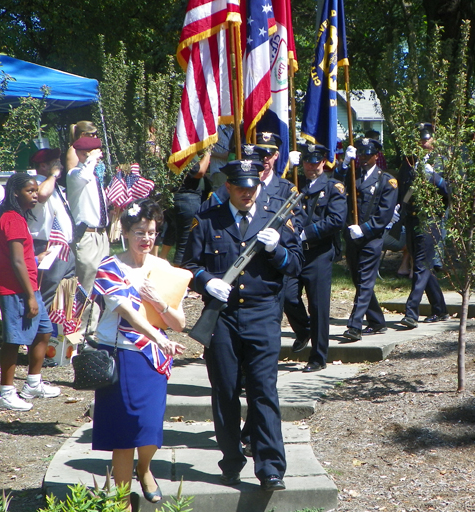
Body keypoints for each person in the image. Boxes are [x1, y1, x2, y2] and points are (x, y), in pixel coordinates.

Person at [182, 160, 303, 491]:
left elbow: (294, 265)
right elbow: (189, 265)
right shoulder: (207, 221)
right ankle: (231, 460)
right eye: (240, 188)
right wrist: (206, 281)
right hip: (222, 318)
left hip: (263, 315)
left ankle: (271, 468)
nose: (247, 193)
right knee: (225, 392)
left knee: (264, 391)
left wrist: (276, 249)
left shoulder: (275, 220)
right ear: (228, 188)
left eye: (252, 187)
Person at [91, 199, 185, 510]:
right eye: (139, 232)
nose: (146, 238)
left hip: (153, 357)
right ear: (126, 232)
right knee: (123, 432)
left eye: (151, 232)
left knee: (149, 427)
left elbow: (180, 323)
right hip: (121, 354)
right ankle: (121, 499)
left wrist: (160, 302)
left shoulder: (163, 269)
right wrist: (159, 337)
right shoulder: (109, 267)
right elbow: (130, 315)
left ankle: (144, 469)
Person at [0, 173, 61, 411]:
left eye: (35, 190)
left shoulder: (18, 218)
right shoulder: (12, 219)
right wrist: (30, 295)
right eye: (30, 191)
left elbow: (22, 257)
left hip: (30, 287)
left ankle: (33, 383)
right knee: (13, 340)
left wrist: (36, 258)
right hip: (16, 290)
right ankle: (6, 392)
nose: (35, 195)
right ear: (15, 193)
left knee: (44, 331)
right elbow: (16, 262)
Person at [283, 144, 347, 371]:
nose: (311, 166)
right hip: (297, 252)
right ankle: (303, 330)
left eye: (316, 161)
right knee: (287, 296)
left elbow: (336, 220)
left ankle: (318, 357)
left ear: (324, 162)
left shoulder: (332, 187)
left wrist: (307, 232)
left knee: (318, 306)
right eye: (307, 162)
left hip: (319, 252)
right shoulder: (294, 185)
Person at [339, 138, 398, 341]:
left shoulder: (386, 181)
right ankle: (377, 321)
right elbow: (335, 186)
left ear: (376, 156)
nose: (362, 158)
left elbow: (384, 215)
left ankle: (354, 326)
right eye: (360, 154)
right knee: (359, 280)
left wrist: (363, 229)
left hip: (371, 238)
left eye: (367, 154)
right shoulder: (353, 175)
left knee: (365, 281)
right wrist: (344, 164)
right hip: (352, 238)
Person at [398, 123, 450, 328]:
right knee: (424, 266)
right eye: (420, 138)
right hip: (412, 218)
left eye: (427, 138)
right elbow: (405, 187)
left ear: (434, 140)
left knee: (420, 265)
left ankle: (411, 312)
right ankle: (440, 309)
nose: (423, 142)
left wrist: (435, 177)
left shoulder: (445, 161)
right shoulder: (411, 161)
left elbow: (451, 190)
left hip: (432, 220)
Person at [67, 136, 110, 327]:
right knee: (85, 285)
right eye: (95, 154)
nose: (99, 158)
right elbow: (83, 175)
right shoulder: (75, 174)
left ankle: (93, 328)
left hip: (101, 235)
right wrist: (90, 159)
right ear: (83, 154)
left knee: (101, 284)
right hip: (87, 236)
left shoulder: (93, 176)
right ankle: (80, 329)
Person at [27, 148, 76, 310]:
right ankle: (40, 332)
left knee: (64, 293)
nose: (60, 166)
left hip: (63, 247)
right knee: (46, 292)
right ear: (43, 165)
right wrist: (53, 175)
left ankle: (56, 331)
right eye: (56, 163)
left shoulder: (53, 185)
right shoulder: (36, 184)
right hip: (45, 246)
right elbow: (41, 195)